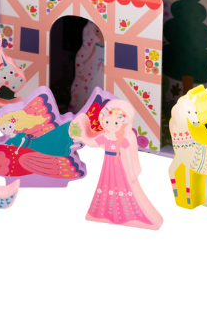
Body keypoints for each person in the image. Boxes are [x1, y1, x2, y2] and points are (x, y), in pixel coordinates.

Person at [70, 100, 165, 231]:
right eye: (107, 122)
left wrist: (132, 171)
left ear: (124, 123)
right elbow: (92, 143)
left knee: (124, 188)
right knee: (106, 185)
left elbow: (130, 156)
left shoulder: (125, 139)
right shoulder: (106, 137)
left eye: (116, 123)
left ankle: (127, 216)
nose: (111, 126)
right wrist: (80, 136)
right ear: (102, 121)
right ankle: (103, 214)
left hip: (120, 167)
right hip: (108, 167)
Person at [70, 22, 105, 113]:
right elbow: (91, 55)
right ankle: (91, 105)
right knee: (93, 83)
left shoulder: (107, 45)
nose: (97, 33)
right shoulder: (96, 44)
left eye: (99, 31)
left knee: (102, 82)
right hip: (96, 65)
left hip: (103, 67)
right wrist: (85, 61)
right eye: (96, 31)